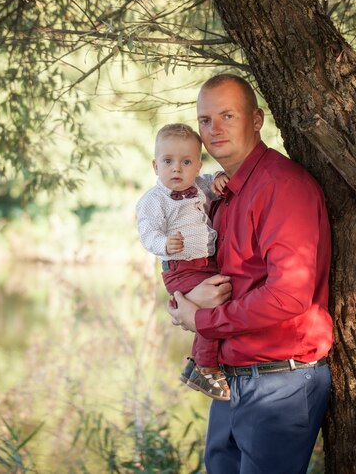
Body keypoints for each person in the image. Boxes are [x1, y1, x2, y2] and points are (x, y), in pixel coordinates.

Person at [168, 74, 333, 474]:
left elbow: (288, 296)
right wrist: (191, 300)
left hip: (279, 382)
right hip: (233, 377)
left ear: (256, 120)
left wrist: (203, 319)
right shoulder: (221, 192)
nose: (214, 129)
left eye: (228, 115)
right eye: (205, 120)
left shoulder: (281, 186)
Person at [136, 123, 231, 400]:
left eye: (185, 161)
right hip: (181, 269)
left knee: (219, 299)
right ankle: (205, 367)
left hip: (206, 264)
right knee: (211, 309)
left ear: (198, 166)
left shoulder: (201, 186)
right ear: (156, 166)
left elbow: (215, 186)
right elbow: (148, 232)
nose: (176, 168)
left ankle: (197, 367)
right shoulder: (154, 201)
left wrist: (220, 180)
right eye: (168, 161)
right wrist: (163, 243)